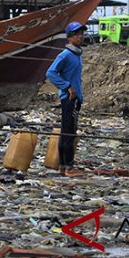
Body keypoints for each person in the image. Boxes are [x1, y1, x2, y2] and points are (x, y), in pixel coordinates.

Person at [47, 21, 87, 177]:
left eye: (82, 34)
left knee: (68, 131)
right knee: (69, 132)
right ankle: (68, 166)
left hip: (75, 98)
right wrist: (67, 86)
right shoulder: (65, 55)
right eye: (78, 34)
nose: (81, 37)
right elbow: (51, 73)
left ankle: (63, 166)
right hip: (70, 98)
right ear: (70, 37)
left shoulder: (76, 54)